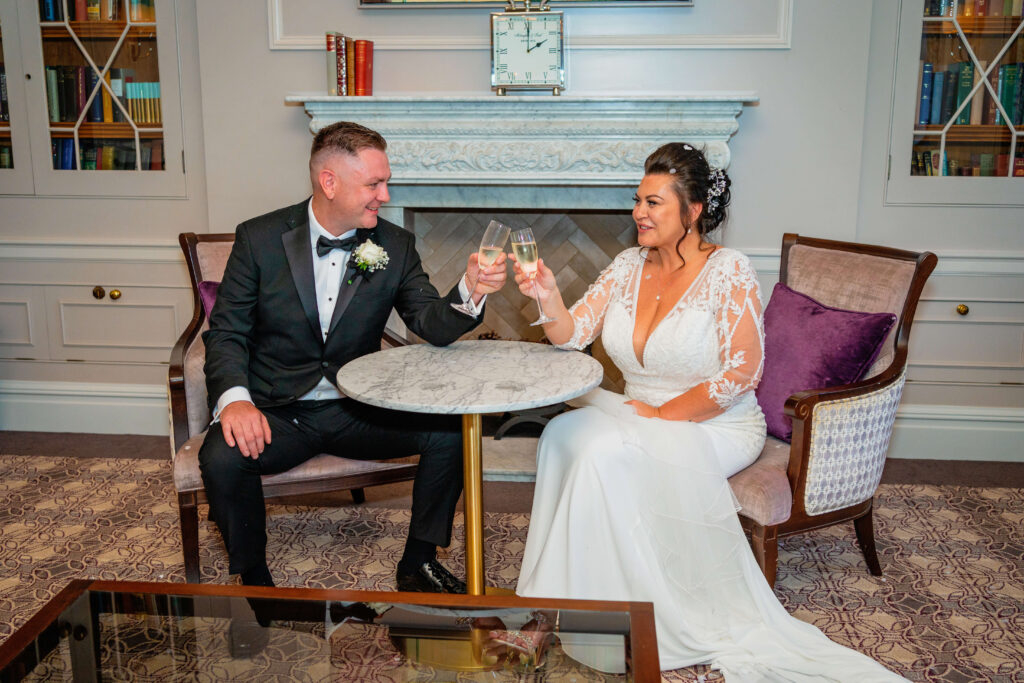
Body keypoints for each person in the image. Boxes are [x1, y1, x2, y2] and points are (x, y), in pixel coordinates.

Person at [509, 143, 907, 680]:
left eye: (654, 203)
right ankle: (564, 604)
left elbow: (743, 371)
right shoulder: (627, 265)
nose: (638, 214)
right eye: (638, 200)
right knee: (563, 436)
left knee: (604, 454)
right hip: (638, 408)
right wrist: (548, 295)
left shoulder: (729, 271)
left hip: (715, 421)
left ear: (693, 211)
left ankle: (636, 618)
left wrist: (663, 416)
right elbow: (571, 334)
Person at [199, 121, 507, 592]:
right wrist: (235, 401)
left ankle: (418, 563)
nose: (384, 195)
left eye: (385, 183)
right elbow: (226, 332)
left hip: (356, 408)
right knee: (221, 455)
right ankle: (255, 580)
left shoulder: (394, 246)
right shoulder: (259, 239)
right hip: (279, 412)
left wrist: (471, 292)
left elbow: (429, 321)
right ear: (329, 182)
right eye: (374, 184)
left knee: (452, 429)